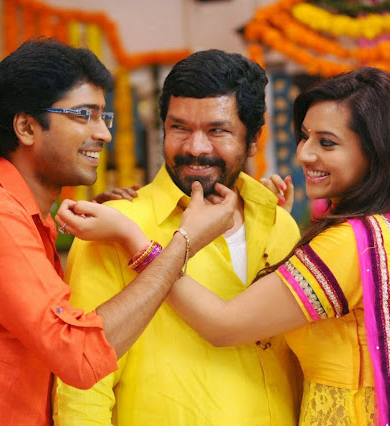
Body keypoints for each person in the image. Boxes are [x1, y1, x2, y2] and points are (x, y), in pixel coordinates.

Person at [0, 39, 236, 425]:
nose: (103, 134)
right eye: (84, 115)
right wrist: (184, 242)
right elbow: (78, 355)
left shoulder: (27, 216)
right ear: (26, 127)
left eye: (103, 117)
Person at [93, 67, 390, 425]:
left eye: (327, 143)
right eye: (305, 136)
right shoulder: (389, 233)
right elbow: (87, 378)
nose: (305, 154)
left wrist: (135, 241)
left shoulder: (351, 242)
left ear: (375, 153)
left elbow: (223, 324)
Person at [52, 49, 303, 425]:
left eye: (217, 130)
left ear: (253, 140)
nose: (195, 147)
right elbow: (82, 389)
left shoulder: (280, 226)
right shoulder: (111, 227)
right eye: (180, 128)